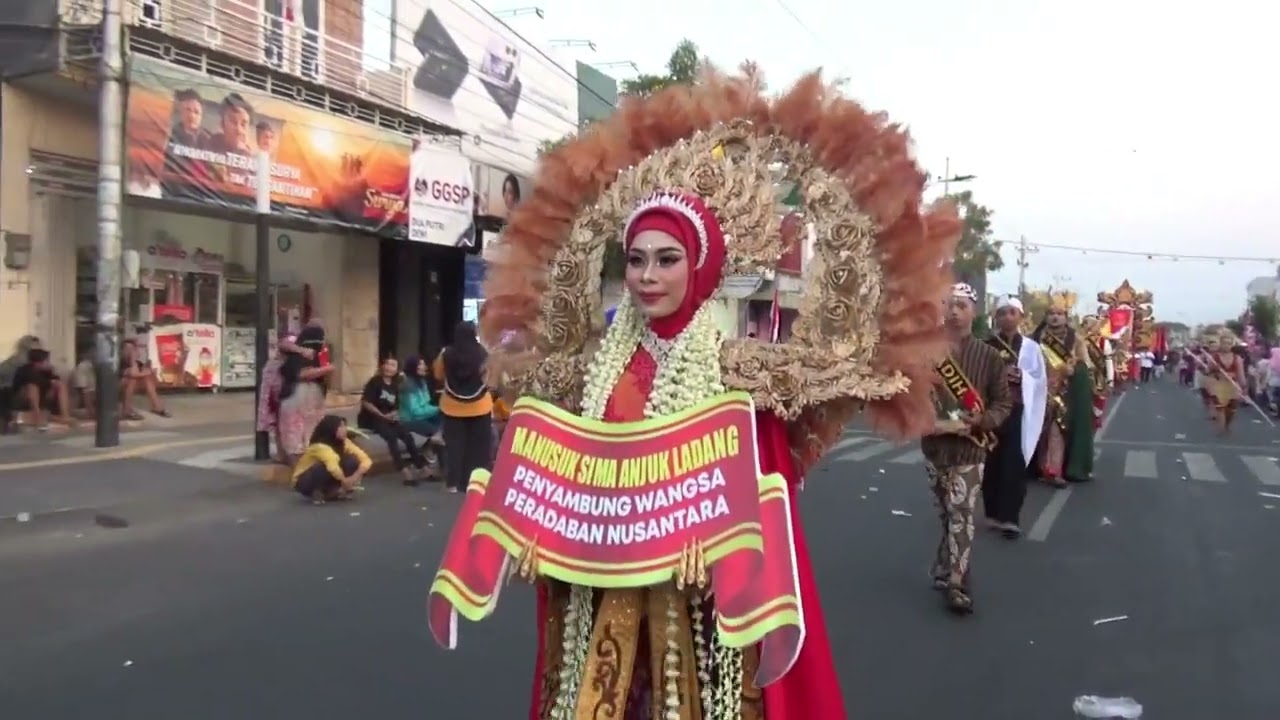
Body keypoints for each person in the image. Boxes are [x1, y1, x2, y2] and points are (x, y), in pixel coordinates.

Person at [925, 284, 1013, 611]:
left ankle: (958, 581)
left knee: (962, 512)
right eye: (948, 304)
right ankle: (945, 562)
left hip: (971, 449)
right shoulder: (928, 353)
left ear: (973, 311)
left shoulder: (990, 356)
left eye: (961, 305)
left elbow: (1004, 403)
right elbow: (911, 394)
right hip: (935, 447)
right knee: (946, 511)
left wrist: (980, 421)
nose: (954, 311)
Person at [982, 296, 1047, 539]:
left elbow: (1039, 379)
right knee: (990, 464)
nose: (1007, 317)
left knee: (1014, 463)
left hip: (1018, 410)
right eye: (1002, 313)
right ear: (996, 317)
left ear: (1020, 316)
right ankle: (993, 512)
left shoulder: (1031, 348)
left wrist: (1022, 377)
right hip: (990, 411)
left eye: (1012, 312)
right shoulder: (986, 345)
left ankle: (1010, 517)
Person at [1031, 299, 1097, 485]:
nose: (1054, 317)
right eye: (1051, 313)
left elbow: (1085, 365)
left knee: (1056, 431)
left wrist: (1074, 370)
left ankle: (1055, 471)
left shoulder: (1076, 340)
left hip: (1065, 393)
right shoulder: (1035, 338)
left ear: (1066, 318)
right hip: (1039, 391)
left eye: (1059, 314)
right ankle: (1042, 468)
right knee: (1040, 432)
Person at [433, 322, 493, 493]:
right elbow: (490, 376)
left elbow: (438, 374)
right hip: (480, 406)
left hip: (452, 407)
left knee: (454, 446)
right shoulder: (484, 353)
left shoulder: (446, 353)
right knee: (479, 447)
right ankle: (476, 483)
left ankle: (453, 483)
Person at [358, 355, 430, 485]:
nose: (389, 368)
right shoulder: (375, 381)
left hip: (389, 417)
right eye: (387, 364)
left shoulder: (397, 385)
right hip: (372, 417)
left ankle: (422, 467)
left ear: (397, 369)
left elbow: (400, 405)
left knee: (407, 437)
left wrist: (395, 414)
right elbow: (366, 403)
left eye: (393, 365)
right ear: (382, 366)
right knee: (391, 437)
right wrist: (381, 415)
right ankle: (404, 471)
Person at [278, 324, 334, 464]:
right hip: (296, 396)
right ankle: (299, 471)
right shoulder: (298, 353)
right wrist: (326, 369)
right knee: (295, 434)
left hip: (311, 398)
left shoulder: (317, 353)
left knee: (309, 432)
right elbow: (298, 374)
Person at [292, 415, 372, 504]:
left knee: (351, 460)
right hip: (304, 481)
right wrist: (345, 481)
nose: (345, 429)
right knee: (323, 467)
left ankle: (333, 491)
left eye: (345, 426)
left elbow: (366, 460)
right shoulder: (319, 446)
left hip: (334, 474)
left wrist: (354, 478)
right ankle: (317, 491)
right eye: (341, 426)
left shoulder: (344, 442)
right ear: (331, 429)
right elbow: (333, 466)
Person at [398, 354, 443, 477]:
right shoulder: (408, 385)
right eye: (421, 364)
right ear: (414, 367)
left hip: (424, 416)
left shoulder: (422, 382)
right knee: (438, 433)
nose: (424, 367)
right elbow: (415, 411)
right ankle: (429, 451)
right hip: (410, 420)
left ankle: (429, 448)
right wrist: (437, 410)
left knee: (449, 420)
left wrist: (438, 409)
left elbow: (425, 405)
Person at [9, 348, 75, 430]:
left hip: (42, 400)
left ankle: (65, 416)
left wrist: (53, 381)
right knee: (32, 387)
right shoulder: (25, 370)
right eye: (46, 361)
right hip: (22, 400)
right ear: (37, 363)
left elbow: (55, 381)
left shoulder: (46, 372)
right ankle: (37, 415)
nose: (48, 363)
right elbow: (31, 384)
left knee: (60, 384)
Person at [118, 339, 171, 420]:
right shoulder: (121, 363)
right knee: (133, 379)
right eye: (128, 349)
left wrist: (147, 372)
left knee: (147, 378)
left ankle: (157, 407)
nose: (130, 352)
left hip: (132, 386)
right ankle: (127, 410)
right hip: (117, 387)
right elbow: (132, 373)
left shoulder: (138, 363)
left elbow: (147, 373)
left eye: (133, 349)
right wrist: (133, 360)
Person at [1204, 332, 1246, 434]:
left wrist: (1244, 387)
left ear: (1232, 345)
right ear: (1220, 343)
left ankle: (1227, 424)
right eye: (1224, 343)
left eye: (1228, 343)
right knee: (1220, 407)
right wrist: (1214, 368)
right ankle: (1221, 428)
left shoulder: (1237, 358)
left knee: (1231, 409)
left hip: (1232, 385)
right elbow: (1208, 371)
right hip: (1218, 384)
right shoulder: (1214, 357)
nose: (1226, 345)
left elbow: (1240, 374)